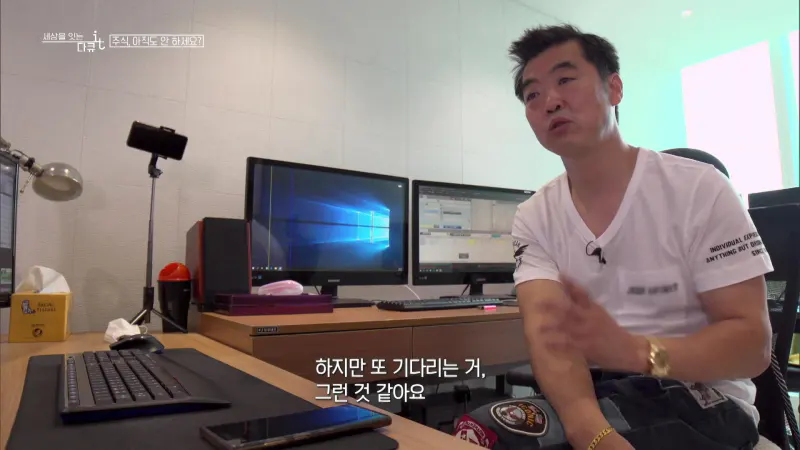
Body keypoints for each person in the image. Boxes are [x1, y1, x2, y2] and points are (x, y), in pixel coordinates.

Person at [452, 24, 773, 450]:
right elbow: (550, 341)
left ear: (615, 88)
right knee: (483, 431)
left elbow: (752, 346)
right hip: (601, 395)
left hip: (703, 399)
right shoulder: (535, 215)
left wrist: (638, 353)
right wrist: (592, 433)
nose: (550, 101)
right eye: (533, 95)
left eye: (566, 80)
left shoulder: (700, 188)